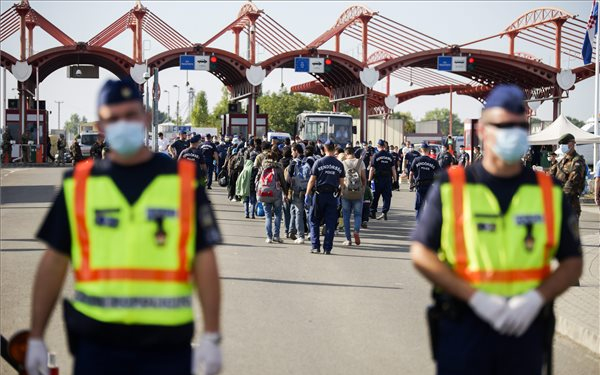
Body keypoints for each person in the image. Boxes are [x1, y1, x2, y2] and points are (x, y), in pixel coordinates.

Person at [27, 78, 223, 375]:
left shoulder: (183, 181)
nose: (123, 124)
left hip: (167, 346)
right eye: (113, 118)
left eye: (130, 115)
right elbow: (54, 261)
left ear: (145, 118)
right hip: (97, 345)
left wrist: (212, 335)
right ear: (101, 127)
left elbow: (204, 259)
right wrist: (36, 336)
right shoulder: (79, 185)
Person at [411, 84, 583, 375]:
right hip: (464, 323)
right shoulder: (453, 186)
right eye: (502, 125)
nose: (511, 132)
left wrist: (535, 299)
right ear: (482, 131)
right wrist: (474, 296)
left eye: (518, 126)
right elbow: (421, 252)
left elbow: (572, 263)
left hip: (523, 329)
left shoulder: (547, 192)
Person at [305, 140, 345, 254]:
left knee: (314, 221)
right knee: (331, 223)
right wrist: (340, 195)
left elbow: (312, 180)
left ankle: (315, 246)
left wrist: (307, 194)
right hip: (332, 196)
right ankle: (327, 248)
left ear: (324, 149)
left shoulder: (319, 162)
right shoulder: (339, 164)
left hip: (319, 195)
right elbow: (342, 183)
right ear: (334, 149)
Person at [550, 133, 587, 219]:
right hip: (558, 203)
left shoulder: (577, 161)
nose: (562, 146)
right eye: (561, 144)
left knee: (569, 231)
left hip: (570, 205)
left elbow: (572, 183)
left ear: (573, 143)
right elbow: (552, 176)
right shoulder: (563, 160)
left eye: (565, 144)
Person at [256, 151, 287, 243]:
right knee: (277, 214)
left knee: (268, 216)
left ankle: (269, 237)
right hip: (276, 194)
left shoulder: (263, 167)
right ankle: (276, 236)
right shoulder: (278, 168)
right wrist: (285, 193)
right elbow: (283, 182)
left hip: (265, 193)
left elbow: (257, 180)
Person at [341, 147, 366, 246]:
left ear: (346, 153)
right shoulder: (361, 162)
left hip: (346, 192)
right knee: (358, 214)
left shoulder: (343, 163)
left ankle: (348, 239)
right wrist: (363, 189)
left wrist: (341, 189)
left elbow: (341, 178)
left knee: (346, 216)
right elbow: (364, 178)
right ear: (353, 153)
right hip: (358, 192)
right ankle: (356, 231)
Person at [409, 142, 441, 220]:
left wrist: (411, 183)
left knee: (419, 207)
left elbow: (411, 173)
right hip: (430, 186)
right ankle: (430, 224)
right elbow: (440, 174)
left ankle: (419, 224)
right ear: (429, 150)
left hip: (419, 186)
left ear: (421, 150)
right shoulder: (433, 161)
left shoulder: (416, 160)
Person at [287, 144, 310, 244]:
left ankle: (300, 236)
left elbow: (288, 179)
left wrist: (287, 191)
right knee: (309, 212)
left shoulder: (293, 163)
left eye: (292, 151)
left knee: (298, 213)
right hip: (308, 190)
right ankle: (311, 232)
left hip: (297, 190)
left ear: (296, 151)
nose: (292, 153)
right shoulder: (309, 160)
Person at [369, 139, 397, 221]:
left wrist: (369, 180)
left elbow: (372, 169)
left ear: (378, 146)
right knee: (387, 196)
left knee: (375, 196)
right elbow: (393, 169)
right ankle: (384, 212)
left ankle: (373, 212)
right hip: (387, 179)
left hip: (378, 179)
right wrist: (395, 180)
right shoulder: (390, 156)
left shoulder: (376, 155)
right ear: (384, 146)